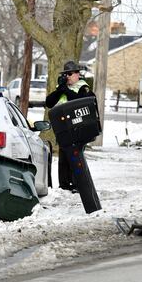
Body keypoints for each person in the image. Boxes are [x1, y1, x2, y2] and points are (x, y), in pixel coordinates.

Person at [45, 61, 94, 192]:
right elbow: (49, 103)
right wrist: (59, 90)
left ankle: (78, 184)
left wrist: (66, 90)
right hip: (64, 129)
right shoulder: (63, 88)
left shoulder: (83, 87)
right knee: (63, 158)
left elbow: (78, 102)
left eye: (70, 74)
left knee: (75, 157)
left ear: (77, 74)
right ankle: (64, 185)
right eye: (66, 74)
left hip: (78, 130)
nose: (68, 77)